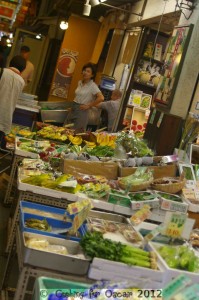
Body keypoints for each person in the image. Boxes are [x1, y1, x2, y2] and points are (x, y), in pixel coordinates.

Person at [68, 62, 104, 130]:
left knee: (76, 133)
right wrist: (73, 107)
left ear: (92, 75)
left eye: (88, 71)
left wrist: (89, 105)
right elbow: (78, 96)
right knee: (66, 130)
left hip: (82, 111)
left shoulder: (93, 86)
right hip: (73, 109)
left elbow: (101, 98)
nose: (85, 72)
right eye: (84, 70)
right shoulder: (79, 82)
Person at [0, 55, 26, 148]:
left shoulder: (2, 72)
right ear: (23, 69)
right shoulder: (22, 82)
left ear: (10, 63)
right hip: (5, 119)